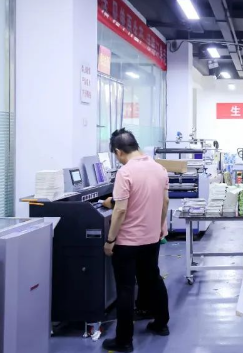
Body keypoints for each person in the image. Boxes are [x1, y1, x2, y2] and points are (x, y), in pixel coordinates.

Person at [101, 129, 170, 352]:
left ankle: (124, 341)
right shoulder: (159, 169)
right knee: (152, 279)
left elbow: (120, 210)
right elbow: (165, 202)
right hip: (151, 239)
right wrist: (160, 228)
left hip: (127, 243)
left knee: (125, 288)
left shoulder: (125, 172)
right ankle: (161, 324)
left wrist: (110, 240)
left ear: (119, 152)